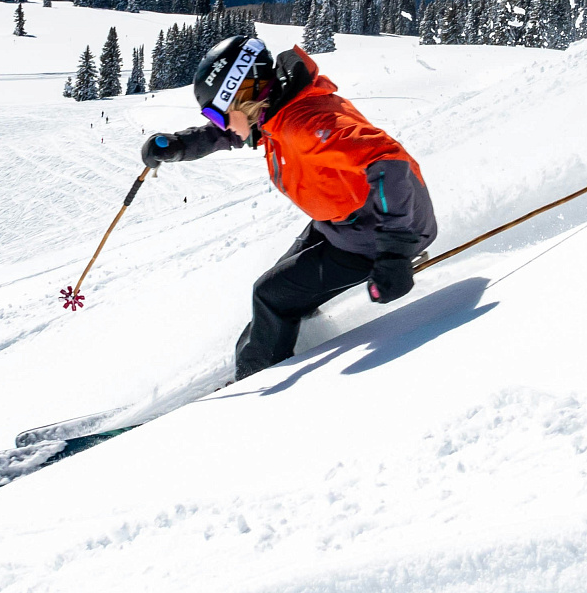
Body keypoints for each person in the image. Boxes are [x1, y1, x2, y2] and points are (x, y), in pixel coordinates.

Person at [141, 36, 438, 381]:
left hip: (375, 237)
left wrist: (395, 252)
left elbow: (388, 162)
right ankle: (264, 358)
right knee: (276, 291)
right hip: (343, 225)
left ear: (243, 97)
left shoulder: (304, 123)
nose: (217, 123)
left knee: (270, 296)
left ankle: (258, 378)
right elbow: (227, 134)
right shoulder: (277, 110)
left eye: (217, 114)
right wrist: (178, 146)